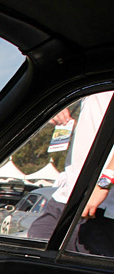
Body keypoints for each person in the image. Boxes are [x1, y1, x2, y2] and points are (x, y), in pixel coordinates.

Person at [27, 91, 114, 255]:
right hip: (66, 197)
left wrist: (105, 183)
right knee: (35, 255)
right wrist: (61, 105)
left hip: (102, 208)